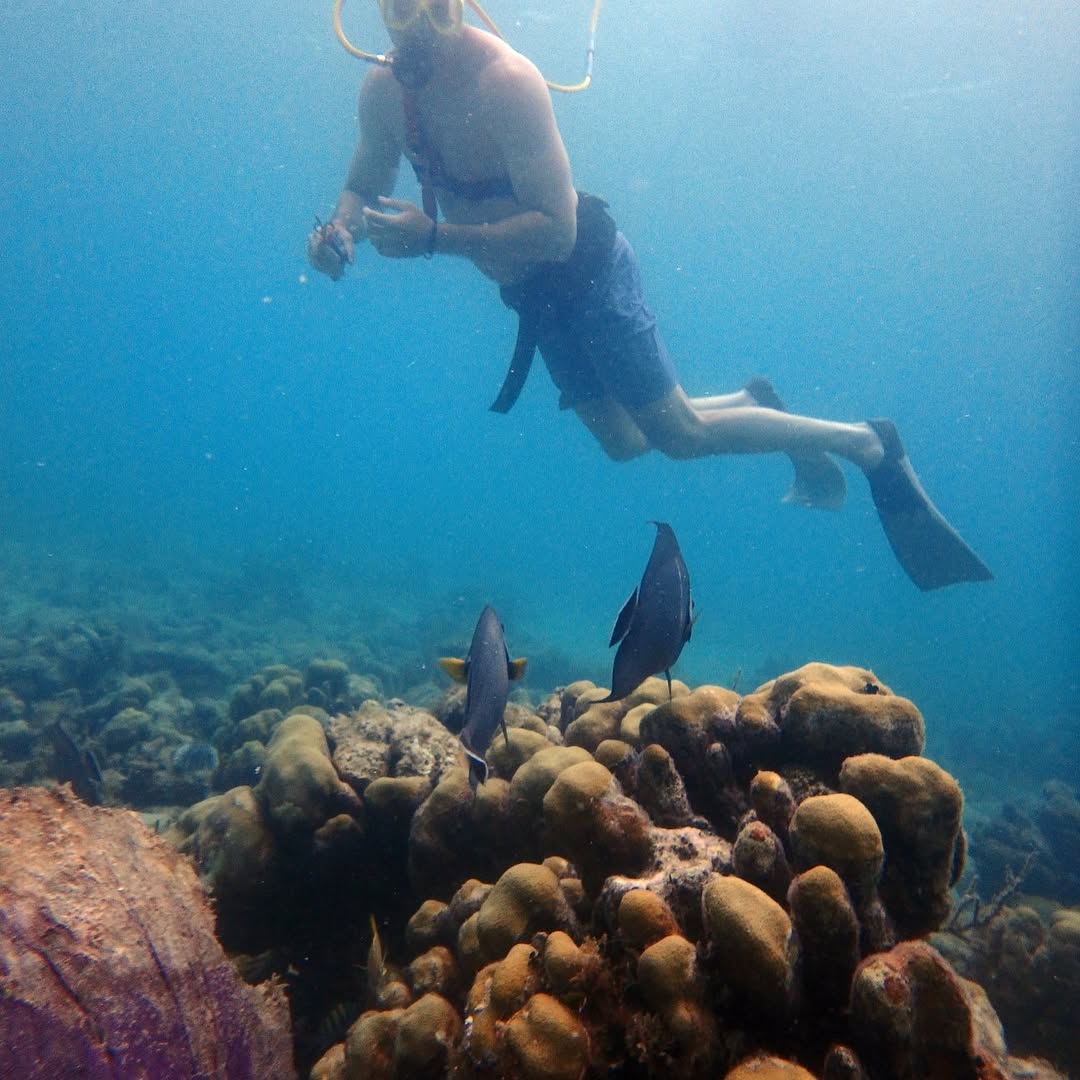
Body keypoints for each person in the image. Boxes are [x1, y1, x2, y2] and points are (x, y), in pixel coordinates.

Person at [308, 0, 991, 591]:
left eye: (435, 9)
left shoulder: (506, 83)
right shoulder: (383, 93)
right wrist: (337, 228)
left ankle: (867, 444)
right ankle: (752, 404)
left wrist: (435, 239)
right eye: (401, 9)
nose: (420, 31)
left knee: (680, 437)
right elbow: (364, 183)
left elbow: (555, 231)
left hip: (589, 274)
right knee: (626, 444)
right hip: (533, 299)